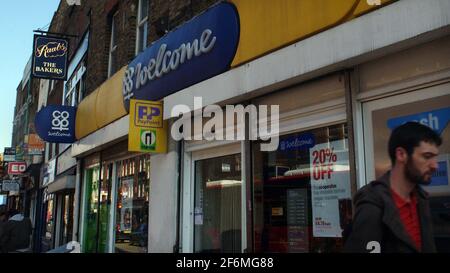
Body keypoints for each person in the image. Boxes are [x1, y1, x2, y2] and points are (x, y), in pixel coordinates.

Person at [344, 122, 441, 253]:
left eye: (435, 158)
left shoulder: (420, 199)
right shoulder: (373, 205)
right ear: (401, 155)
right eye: (427, 156)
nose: (435, 166)